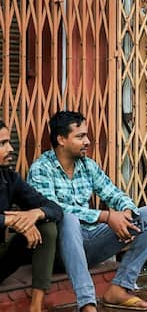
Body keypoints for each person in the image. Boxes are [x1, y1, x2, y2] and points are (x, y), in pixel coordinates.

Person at [28, 111, 147, 312]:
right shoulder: (41, 168)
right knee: (69, 219)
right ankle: (87, 303)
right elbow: (53, 209)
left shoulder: (87, 165)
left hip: (91, 241)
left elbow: (114, 193)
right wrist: (106, 217)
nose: (88, 141)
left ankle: (120, 288)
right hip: (57, 252)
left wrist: (126, 212)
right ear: (61, 139)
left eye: (87, 135)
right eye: (80, 136)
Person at [0, 120, 63, 312]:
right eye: (2, 143)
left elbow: (55, 209)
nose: (10, 148)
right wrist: (8, 220)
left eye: (8, 142)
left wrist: (35, 214)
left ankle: (36, 306)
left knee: (47, 226)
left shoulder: (10, 179)